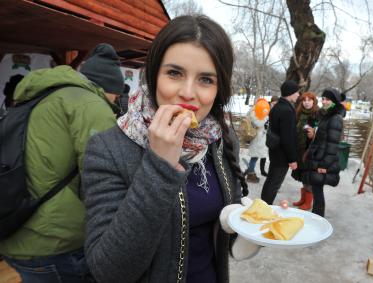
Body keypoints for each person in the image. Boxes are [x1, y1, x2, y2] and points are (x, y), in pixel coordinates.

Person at [82, 15, 259, 283]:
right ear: (153, 75)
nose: (188, 92)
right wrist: (159, 166)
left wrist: (255, 226)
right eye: (174, 73)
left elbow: (218, 234)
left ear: (218, 87)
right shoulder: (108, 149)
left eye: (206, 80)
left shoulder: (219, 138)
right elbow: (109, 271)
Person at [0, 43, 124, 282]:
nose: (117, 99)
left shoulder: (42, 96)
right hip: (55, 243)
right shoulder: (91, 105)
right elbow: (107, 179)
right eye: (117, 93)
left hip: (16, 230)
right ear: (107, 86)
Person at [302, 88, 344, 217]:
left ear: (335, 102)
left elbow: (332, 145)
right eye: (323, 99)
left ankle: (318, 217)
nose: (324, 101)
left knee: (318, 190)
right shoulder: (325, 116)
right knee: (316, 188)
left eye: (328, 99)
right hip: (318, 156)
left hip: (322, 160)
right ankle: (317, 216)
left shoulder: (335, 118)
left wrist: (324, 165)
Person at [261, 80, 299, 205]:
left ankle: (263, 205)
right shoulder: (287, 110)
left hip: (275, 150)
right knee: (274, 183)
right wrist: (292, 159)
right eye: (296, 92)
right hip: (281, 153)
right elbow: (288, 138)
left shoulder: (277, 107)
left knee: (271, 181)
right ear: (290, 93)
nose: (298, 95)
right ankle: (265, 208)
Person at [291, 92, 319, 210]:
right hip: (300, 150)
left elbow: (322, 132)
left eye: (309, 100)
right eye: (304, 100)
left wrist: (314, 134)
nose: (307, 102)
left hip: (310, 151)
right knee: (303, 175)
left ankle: (308, 202)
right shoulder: (298, 113)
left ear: (314, 101)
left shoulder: (317, 114)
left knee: (309, 176)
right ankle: (303, 199)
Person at [244, 98, 270, 183]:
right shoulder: (253, 113)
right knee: (254, 157)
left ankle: (249, 171)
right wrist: (266, 117)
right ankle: (250, 174)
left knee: (255, 157)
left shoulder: (258, 112)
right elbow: (258, 123)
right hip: (256, 139)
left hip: (259, 139)